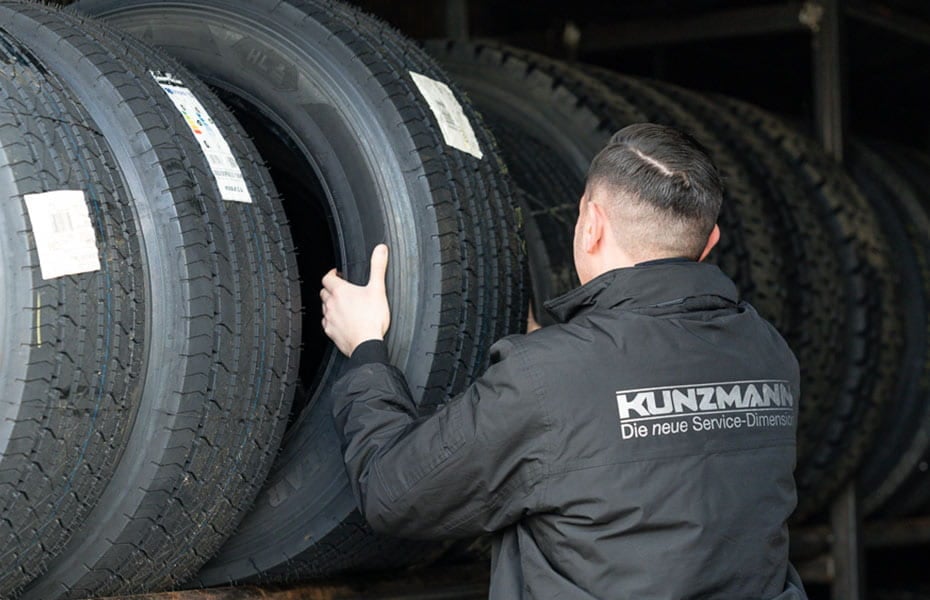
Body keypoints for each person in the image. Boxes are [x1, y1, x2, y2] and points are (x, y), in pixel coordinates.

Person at [320, 123, 807, 599]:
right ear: (711, 240)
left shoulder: (549, 380)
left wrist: (365, 348)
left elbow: (391, 492)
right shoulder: (768, 352)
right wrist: (549, 354)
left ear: (591, 224)